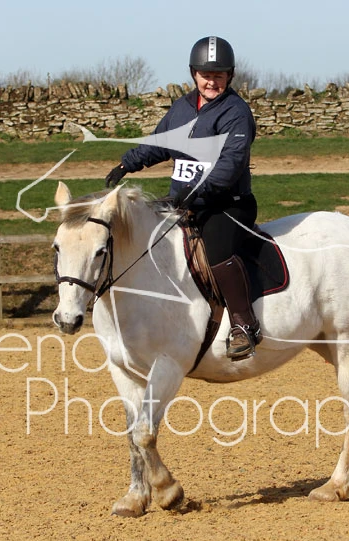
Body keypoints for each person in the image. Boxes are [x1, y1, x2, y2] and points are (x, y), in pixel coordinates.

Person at [104, 36, 261, 360]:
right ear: (193, 74)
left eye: (218, 75)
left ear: (230, 76)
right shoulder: (182, 108)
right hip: (183, 201)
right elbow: (160, 143)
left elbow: (230, 165)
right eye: (206, 75)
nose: (211, 82)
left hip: (226, 205)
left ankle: (244, 325)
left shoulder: (236, 113)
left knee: (217, 251)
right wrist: (127, 163)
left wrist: (198, 191)